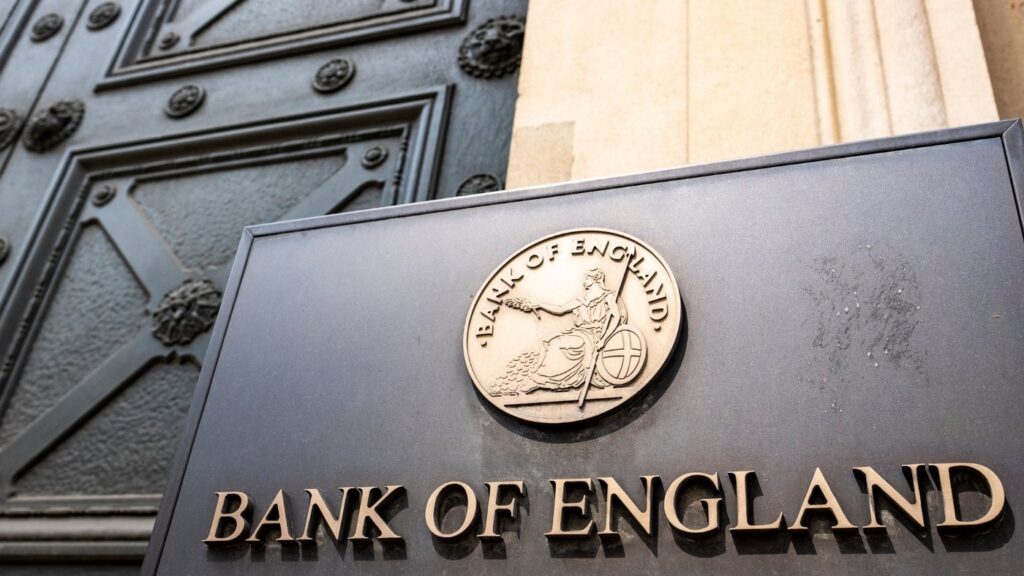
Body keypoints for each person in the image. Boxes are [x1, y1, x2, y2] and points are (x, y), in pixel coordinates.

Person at [490, 268, 623, 396]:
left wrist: (604, 339)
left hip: (594, 335)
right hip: (579, 332)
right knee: (549, 341)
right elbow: (560, 309)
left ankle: (538, 381)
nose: (584, 281)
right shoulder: (581, 300)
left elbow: (616, 316)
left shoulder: (607, 297)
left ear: (595, 279)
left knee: (559, 345)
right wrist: (540, 304)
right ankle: (541, 378)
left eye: (587, 278)